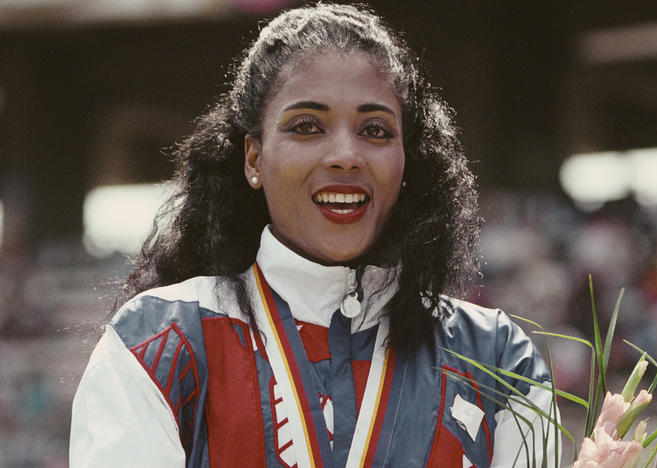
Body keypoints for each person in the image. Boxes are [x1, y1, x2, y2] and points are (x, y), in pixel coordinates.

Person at [70, 4, 560, 467]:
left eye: (375, 130)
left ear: (408, 162)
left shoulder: (496, 359)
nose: (346, 155)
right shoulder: (159, 343)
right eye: (307, 126)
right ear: (254, 160)